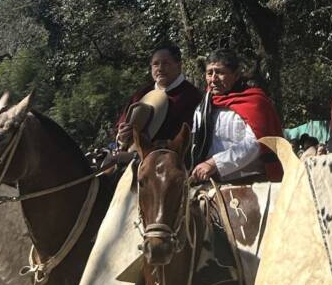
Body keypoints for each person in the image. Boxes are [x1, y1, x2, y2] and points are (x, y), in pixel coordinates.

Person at [188, 50, 284, 183]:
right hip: (213, 186)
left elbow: (257, 143)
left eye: (220, 72)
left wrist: (214, 164)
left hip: (253, 185)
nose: (213, 79)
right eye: (209, 73)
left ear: (236, 74)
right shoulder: (203, 108)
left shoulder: (254, 102)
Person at [115, 46, 203, 147]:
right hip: (132, 156)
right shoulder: (141, 94)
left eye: (166, 63)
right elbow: (121, 126)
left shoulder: (192, 96)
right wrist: (122, 135)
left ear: (178, 66)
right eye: (156, 64)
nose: (160, 69)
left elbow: (192, 137)